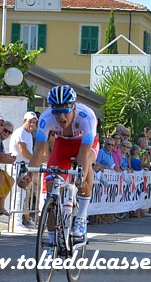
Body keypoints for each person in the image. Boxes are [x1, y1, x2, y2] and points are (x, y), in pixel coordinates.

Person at [25, 85, 99, 240]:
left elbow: (84, 153)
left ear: (73, 107)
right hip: (63, 145)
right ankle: (52, 244)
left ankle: (81, 216)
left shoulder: (86, 116)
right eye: (56, 112)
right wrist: (29, 174)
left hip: (84, 145)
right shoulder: (46, 118)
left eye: (65, 111)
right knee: (52, 191)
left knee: (85, 164)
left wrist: (82, 176)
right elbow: (39, 150)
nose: (60, 117)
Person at [10, 111, 38, 229]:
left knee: (22, 195)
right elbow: (23, 151)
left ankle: (18, 220)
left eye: (34, 122)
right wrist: (35, 160)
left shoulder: (28, 134)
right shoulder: (21, 132)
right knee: (18, 194)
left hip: (24, 167)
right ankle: (15, 222)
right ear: (24, 121)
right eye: (29, 121)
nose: (32, 124)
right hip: (18, 166)